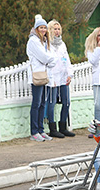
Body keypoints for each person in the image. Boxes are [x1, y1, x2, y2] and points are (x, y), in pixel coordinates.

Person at [26, 14, 57, 142]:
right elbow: (45, 57)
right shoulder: (33, 41)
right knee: (36, 103)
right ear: (36, 29)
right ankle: (34, 131)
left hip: (44, 74)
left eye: (45, 27)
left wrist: (50, 60)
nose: (43, 30)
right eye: (41, 28)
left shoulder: (43, 41)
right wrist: (51, 60)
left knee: (42, 103)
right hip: (37, 75)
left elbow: (50, 56)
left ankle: (41, 129)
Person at [46, 19, 75, 138]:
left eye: (58, 29)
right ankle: (52, 128)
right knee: (51, 103)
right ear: (50, 30)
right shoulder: (47, 44)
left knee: (66, 102)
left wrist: (70, 74)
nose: (57, 31)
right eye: (55, 29)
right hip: (53, 77)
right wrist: (50, 78)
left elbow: (66, 60)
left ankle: (63, 126)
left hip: (63, 77)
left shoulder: (62, 44)